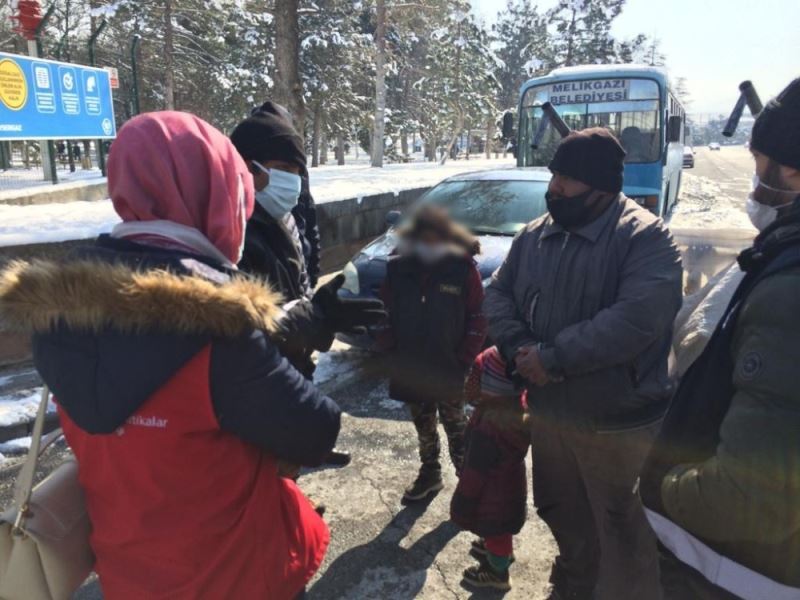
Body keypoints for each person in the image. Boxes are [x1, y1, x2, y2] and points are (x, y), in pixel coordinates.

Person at [0, 112, 340, 600]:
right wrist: (291, 340)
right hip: (236, 574)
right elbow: (316, 430)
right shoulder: (216, 329)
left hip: (130, 574)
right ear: (213, 193)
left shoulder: (59, 312)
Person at [484, 127, 683, 600]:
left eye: (567, 180)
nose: (555, 188)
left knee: (623, 533)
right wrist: (520, 351)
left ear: (602, 188)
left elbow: (637, 319)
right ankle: (574, 584)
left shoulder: (646, 238)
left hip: (618, 426)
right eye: (554, 175)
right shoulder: (535, 235)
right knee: (561, 511)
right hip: (553, 417)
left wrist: (553, 358)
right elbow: (497, 293)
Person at [640, 78, 800, 600]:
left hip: (739, 572)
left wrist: (664, 485)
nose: (756, 186)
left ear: (793, 170)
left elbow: (752, 496)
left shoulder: (788, 289)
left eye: (759, 165)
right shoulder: (778, 261)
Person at [230, 105, 385, 380]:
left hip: (292, 368)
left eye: (297, 171)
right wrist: (314, 317)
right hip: (266, 383)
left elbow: (305, 251)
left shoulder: (280, 216)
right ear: (246, 168)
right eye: (282, 169)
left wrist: (313, 305)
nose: (293, 181)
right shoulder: (232, 237)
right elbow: (242, 335)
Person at [376, 205, 487, 504]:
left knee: (457, 425)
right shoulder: (398, 266)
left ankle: (469, 484)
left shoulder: (462, 267)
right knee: (423, 424)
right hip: (410, 364)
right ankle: (430, 474)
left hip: (450, 365)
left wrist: (465, 357)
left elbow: (478, 315)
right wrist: (389, 348)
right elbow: (382, 311)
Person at [451, 346, 530, 592]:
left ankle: (497, 571)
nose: (469, 384)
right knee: (499, 530)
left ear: (492, 387)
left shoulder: (489, 429)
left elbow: (475, 474)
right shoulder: (515, 409)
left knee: (497, 532)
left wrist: (461, 504)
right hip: (507, 492)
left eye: (475, 377)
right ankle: (500, 553)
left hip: (492, 498)